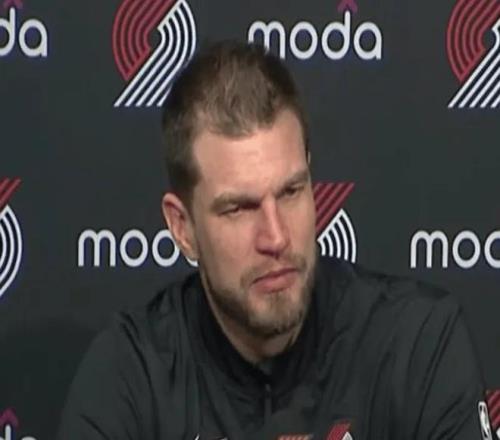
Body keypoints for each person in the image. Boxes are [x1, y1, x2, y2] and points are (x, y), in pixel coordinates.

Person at [57, 41, 489, 440]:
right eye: (239, 209)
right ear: (182, 227)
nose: (276, 236)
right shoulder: (131, 373)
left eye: (291, 192)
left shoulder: (417, 345)